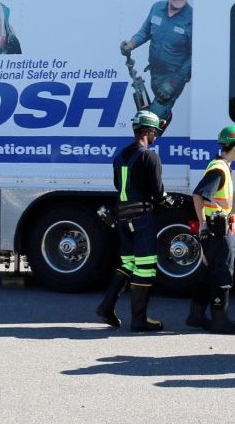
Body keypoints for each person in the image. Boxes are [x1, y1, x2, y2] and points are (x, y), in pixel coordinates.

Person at [95, 110, 169, 332]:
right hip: (142, 219)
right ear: (147, 131)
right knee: (145, 268)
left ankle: (106, 306)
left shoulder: (120, 156)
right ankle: (139, 319)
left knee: (128, 264)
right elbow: (157, 193)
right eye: (155, 131)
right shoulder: (150, 156)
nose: (156, 135)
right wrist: (165, 200)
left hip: (123, 218)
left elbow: (119, 186)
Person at [186, 124, 235, 335]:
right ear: (234, 148)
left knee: (207, 272)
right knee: (222, 273)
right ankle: (220, 320)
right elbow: (198, 195)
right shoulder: (218, 169)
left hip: (216, 229)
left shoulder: (221, 165)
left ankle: (196, 316)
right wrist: (203, 223)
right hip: (217, 231)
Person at [121, 0, 193, 122]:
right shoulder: (157, 8)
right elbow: (145, 32)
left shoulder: (192, 18)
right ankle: (162, 118)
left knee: (148, 122)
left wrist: (174, 83)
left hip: (172, 78)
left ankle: (152, 130)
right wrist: (131, 43)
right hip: (155, 74)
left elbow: (194, 57)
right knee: (151, 112)